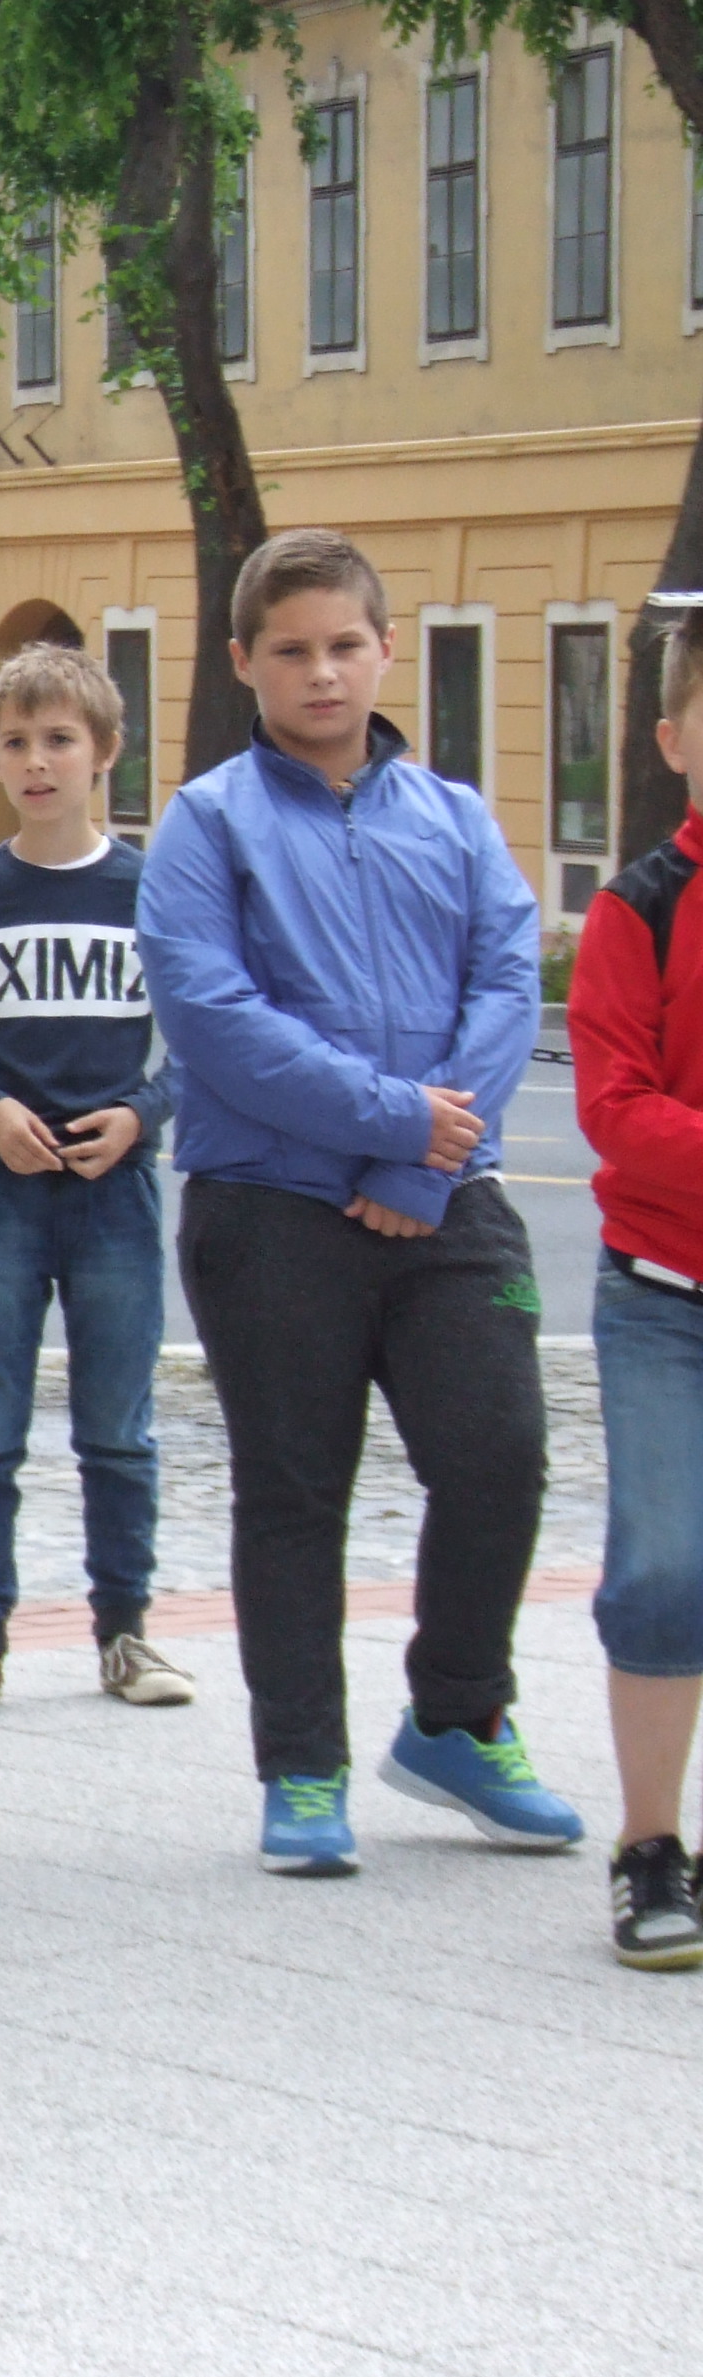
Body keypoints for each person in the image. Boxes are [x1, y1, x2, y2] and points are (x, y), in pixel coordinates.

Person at [140, 528, 574, 1875]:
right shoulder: (208, 823)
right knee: (292, 1491)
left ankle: (456, 1719)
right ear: (242, 661)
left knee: (498, 1457)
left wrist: (418, 1162)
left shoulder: (453, 817)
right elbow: (212, 1016)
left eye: (343, 646)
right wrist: (388, 1121)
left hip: (448, 1204)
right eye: (291, 651)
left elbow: (505, 987)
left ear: (386, 650)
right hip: (268, 1210)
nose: (320, 673)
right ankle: (303, 1769)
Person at [0, 645, 194, 1723]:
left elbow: (195, 1046)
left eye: (59, 741)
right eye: (15, 743)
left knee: (117, 1428)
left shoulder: (151, 893)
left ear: (105, 753)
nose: (37, 762)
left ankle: (125, 1630)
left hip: (114, 1194)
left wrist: (141, 1116)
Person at [576, 601, 703, 1966]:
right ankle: (651, 1847)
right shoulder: (639, 907)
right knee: (667, 1565)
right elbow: (614, 1107)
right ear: (673, 742)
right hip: (665, 1295)